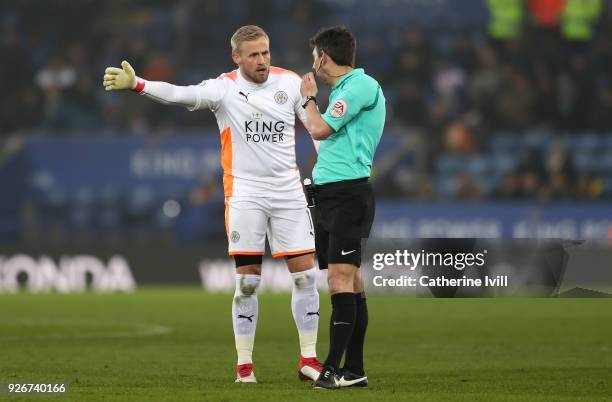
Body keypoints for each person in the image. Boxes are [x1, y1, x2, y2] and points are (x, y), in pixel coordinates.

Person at [103, 25, 322, 384]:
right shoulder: (223, 88)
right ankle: (245, 367)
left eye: (266, 52)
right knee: (248, 283)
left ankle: (309, 360)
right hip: (245, 194)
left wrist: (324, 170)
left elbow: (314, 130)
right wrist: (139, 84)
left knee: (306, 277)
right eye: (253, 54)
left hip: (288, 193)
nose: (262, 60)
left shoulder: (291, 84)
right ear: (237, 57)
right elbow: (179, 94)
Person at [300, 26, 386, 389]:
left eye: (314, 55)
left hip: (348, 196)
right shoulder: (345, 90)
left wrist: (308, 98)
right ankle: (355, 369)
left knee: (338, 280)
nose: (312, 63)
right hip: (331, 196)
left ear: (323, 55)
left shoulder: (359, 86)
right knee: (350, 281)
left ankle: (332, 370)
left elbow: (319, 129)